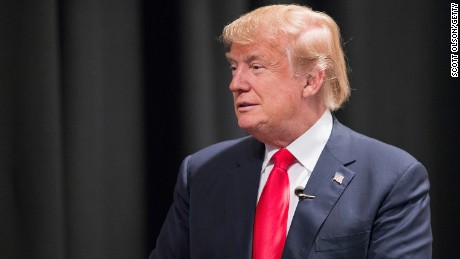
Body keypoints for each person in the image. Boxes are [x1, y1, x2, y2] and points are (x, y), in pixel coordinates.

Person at [149, 4, 432, 258]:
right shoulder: (202, 172)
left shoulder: (391, 177)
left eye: (256, 66)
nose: (236, 84)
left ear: (311, 80)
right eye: (234, 67)